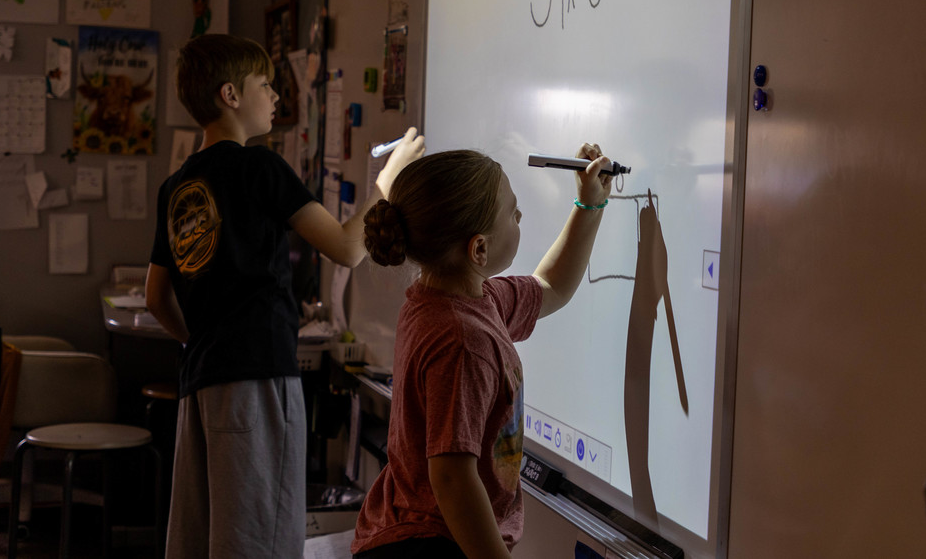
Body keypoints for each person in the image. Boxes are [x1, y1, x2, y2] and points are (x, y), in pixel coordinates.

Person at [144, 33, 425, 559]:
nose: (276, 97)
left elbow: (156, 297)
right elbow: (346, 248)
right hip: (257, 376)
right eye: (265, 85)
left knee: (204, 539)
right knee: (259, 539)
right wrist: (388, 181)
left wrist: (202, 340)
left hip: (201, 380)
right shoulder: (260, 168)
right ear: (231, 95)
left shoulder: (176, 185)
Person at [351, 145, 614, 559]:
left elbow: (551, 287)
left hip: (426, 531)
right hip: (430, 543)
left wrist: (587, 205)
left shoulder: (463, 300)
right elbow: (453, 478)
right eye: (513, 213)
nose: (521, 217)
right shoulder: (461, 339)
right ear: (479, 251)